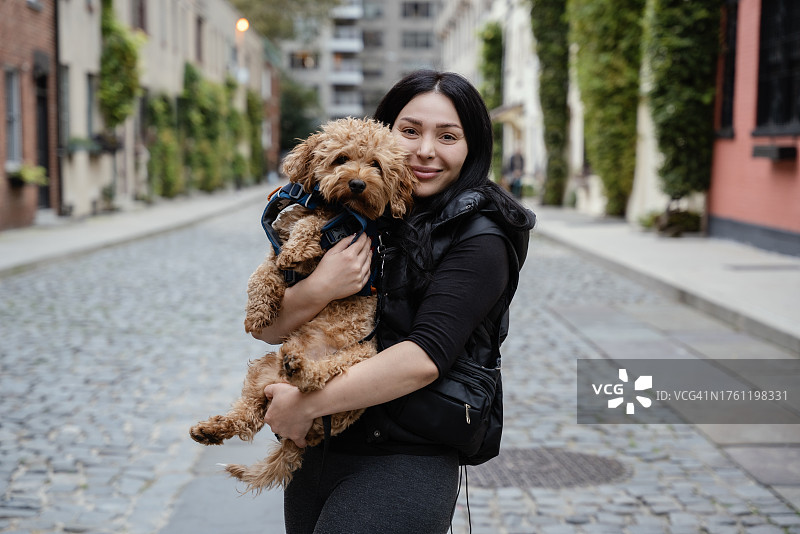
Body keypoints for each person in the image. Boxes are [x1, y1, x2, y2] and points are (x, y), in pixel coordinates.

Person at [252, 70, 536, 534]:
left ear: (471, 147)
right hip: (319, 448)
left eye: (447, 136)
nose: (425, 150)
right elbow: (266, 328)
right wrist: (322, 286)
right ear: (382, 134)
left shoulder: (482, 236)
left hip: (406, 459)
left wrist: (305, 406)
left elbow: (425, 358)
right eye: (410, 131)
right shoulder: (352, 214)